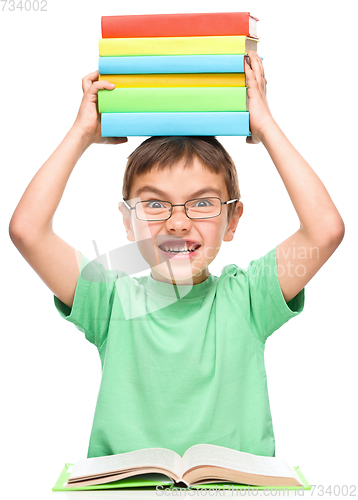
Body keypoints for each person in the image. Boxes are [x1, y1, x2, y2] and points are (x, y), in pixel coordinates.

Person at [9, 51, 344, 460]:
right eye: (154, 205)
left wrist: (266, 126)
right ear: (127, 223)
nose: (178, 223)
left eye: (202, 204)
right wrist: (81, 133)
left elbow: (325, 230)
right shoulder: (109, 297)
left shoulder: (250, 298)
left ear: (233, 220)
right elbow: (27, 231)